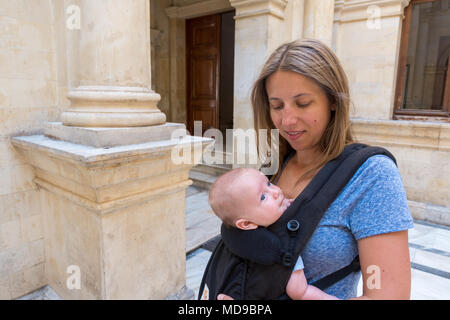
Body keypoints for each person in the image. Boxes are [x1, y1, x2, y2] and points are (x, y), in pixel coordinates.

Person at [217, 38, 414, 300]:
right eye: (276, 106)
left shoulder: (372, 175)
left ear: (333, 101)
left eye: (303, 103)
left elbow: (389, 297)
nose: (286, 120)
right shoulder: (271, 172)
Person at [208, 167, 339, 300]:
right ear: (246, 224)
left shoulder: (237, 240)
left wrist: (286, 204)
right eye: (263, 197)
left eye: (269, 183)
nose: (275, 192)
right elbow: (299, 292)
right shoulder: (280, 247)